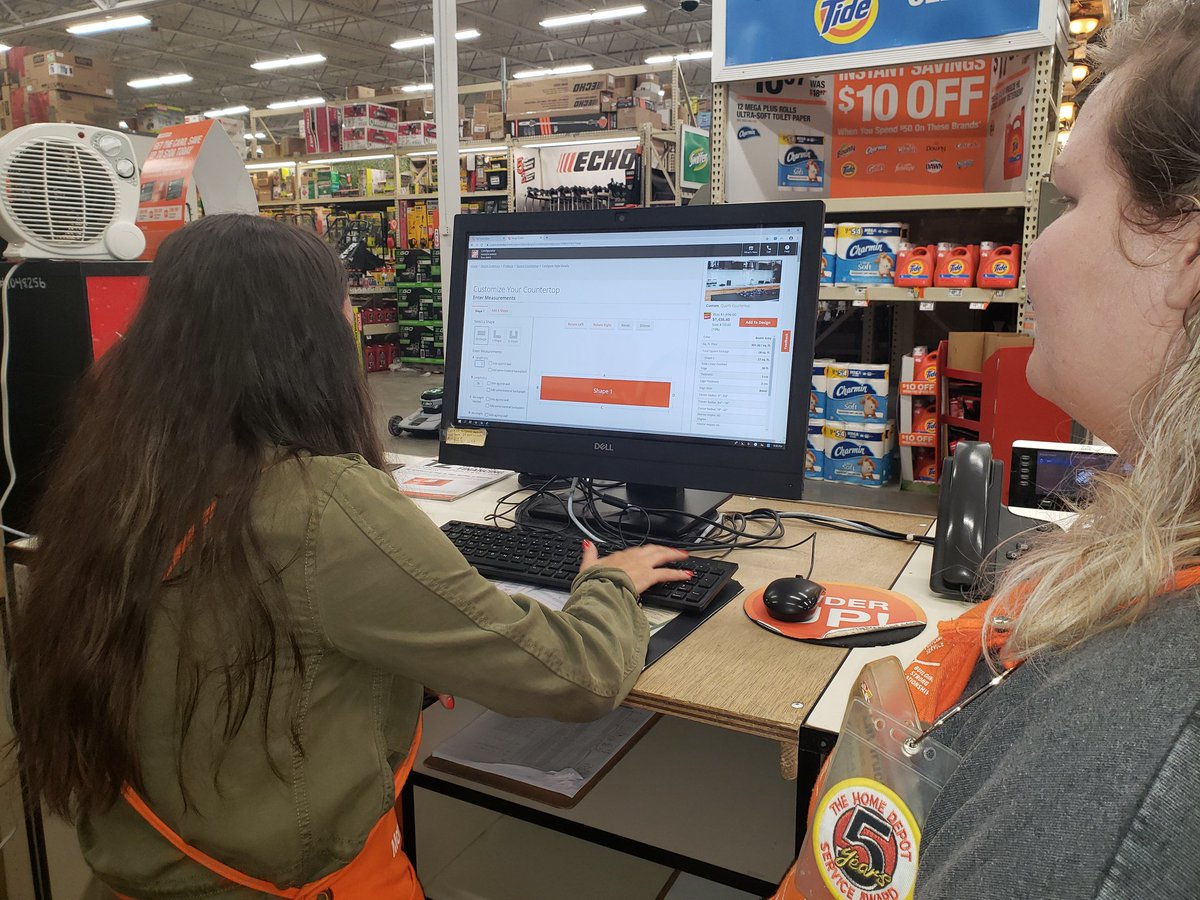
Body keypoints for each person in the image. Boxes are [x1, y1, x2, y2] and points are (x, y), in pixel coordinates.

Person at [6, 214, 693, 898]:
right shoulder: (322, 503)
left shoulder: (114, 477)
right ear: (313, 342)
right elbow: (576, 677)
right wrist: (607, 583)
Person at [777, 1, 1200, 897]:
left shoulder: (1130, 727)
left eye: (1071, 200)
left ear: (1188, 259)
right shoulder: (1150, 580)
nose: (1036, 248)